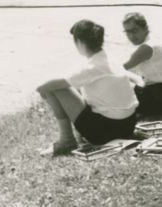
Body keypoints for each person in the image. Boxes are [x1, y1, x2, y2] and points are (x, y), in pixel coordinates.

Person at [35, 20, 138, 156]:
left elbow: (44, 86)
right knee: (67, 86)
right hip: (128, 125)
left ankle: (66, 140)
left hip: (107, 132)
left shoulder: (91, 66)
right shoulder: (110, 60)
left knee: (55, 88)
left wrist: (43, 90)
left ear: (80, 42)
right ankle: (69, 139)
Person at [121, 12, 162, 118]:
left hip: (161, 98)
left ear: (145, 28)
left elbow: (120, 68)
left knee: (118, 87)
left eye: (135, 30)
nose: (131, 36)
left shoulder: (147, 47)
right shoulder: (156, 42)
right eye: (128, 32)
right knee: (127, 80)